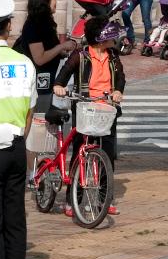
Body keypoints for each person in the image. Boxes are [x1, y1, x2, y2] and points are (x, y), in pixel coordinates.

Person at [53, 16, 126, 217]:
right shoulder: (81, 55)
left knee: (107, 153)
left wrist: (118, 91)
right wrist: (59, 86)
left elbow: (120, 77)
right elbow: (64, 74)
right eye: (111, 35)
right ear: (101, 38)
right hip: (85, 107)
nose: (114, 39)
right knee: (79, 151)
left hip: (107, 108)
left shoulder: (112, 56)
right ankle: (72, 199)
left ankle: (105, 200)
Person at [0, 0, 35, 259]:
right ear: (9, 26)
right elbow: (31, 111)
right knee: (15, 223)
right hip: (17, 147)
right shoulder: (24, 63)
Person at [14, 0, 76, 114]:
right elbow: (40, 58)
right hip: (39, 81)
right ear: (44, 1)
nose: (56, 1)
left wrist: (62, 52)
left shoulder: (45, 21)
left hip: (47, 78)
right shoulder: (34, 25)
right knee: (40, 115)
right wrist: (62, 46)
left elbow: (49, 49)